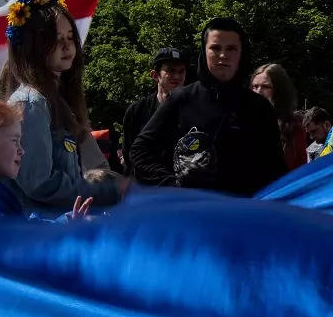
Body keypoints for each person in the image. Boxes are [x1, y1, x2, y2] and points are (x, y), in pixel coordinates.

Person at [0, 0, 125, 215]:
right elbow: (38, 183)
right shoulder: (31, 102)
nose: (68, 46)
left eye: (70, 37)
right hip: (42, 232)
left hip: (63, 225)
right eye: (56, 40)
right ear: (33, 47)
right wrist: (102, 191)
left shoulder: (58, 100)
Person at [129, 17, 286, 196]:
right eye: (215, 48)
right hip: (192, 214)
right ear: (204, 51)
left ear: (242, 54)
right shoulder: (181, 99)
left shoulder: (260, 108)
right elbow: (139, 151)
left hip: (243, 213)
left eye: (231, 49)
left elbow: (276, 169)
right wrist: (173, 184)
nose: (223, 55)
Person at [121, 47, 187, 174]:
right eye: (170, 71)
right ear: (155, 75)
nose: (177, 76)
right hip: (147, 186)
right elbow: (130, 154)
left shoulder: (194, 109)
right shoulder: (137, 111)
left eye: (181, 71)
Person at [251, 63, 308, 171]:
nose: (258, 92)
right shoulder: (240, 120)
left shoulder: (293, 127)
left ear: (279, 91)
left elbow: (299, 169)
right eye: (255, 86)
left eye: (266, 87)